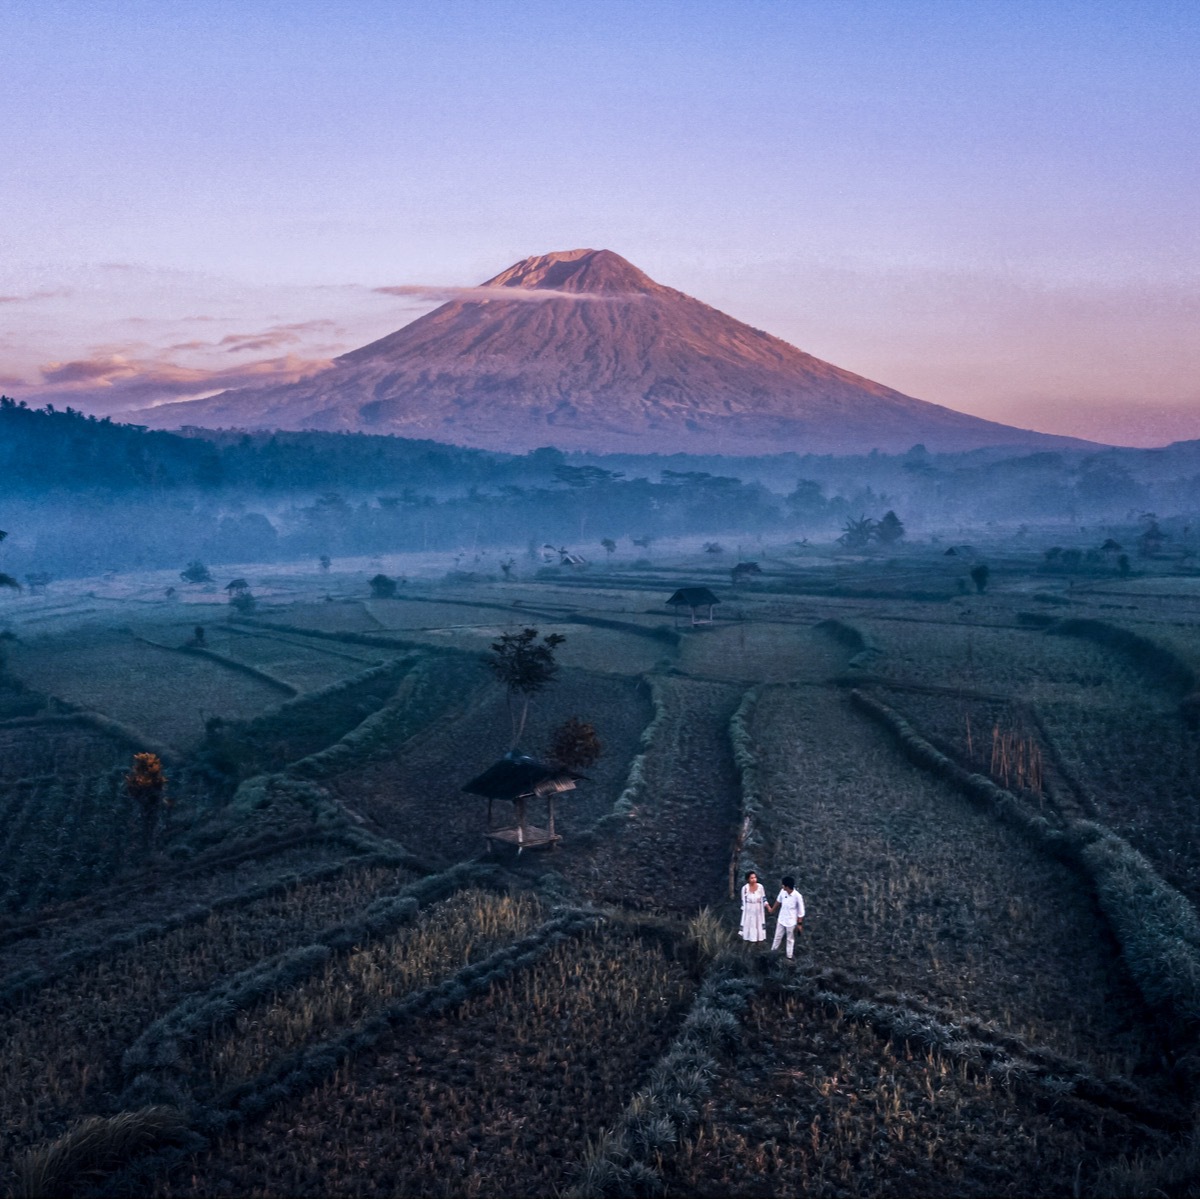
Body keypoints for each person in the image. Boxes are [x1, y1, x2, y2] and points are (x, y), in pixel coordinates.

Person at [769, 875, 805, 959]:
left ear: (787, 886)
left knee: (790, 939)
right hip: (781, 919)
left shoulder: (797, 896)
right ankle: (772, 953)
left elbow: (801, 911)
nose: (782, 886)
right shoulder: (782, 892)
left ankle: (789, 956)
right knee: (777, 937)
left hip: (791, 922)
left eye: (783, 885)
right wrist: (772, 910)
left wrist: (799, 924)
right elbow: (778, 901)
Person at [739, 870, 767, 943]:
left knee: (758, 924)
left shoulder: (760, 887)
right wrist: (744, 910)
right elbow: (743, 900)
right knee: (749, 924)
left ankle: (759, 942)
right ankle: (748, 941)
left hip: (758, 909)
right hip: (749, 909)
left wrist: (768, 907)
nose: (754, 879)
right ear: (748, 879)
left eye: (755, 877)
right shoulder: (745, 888)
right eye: (752, 878)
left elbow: (764, 898)